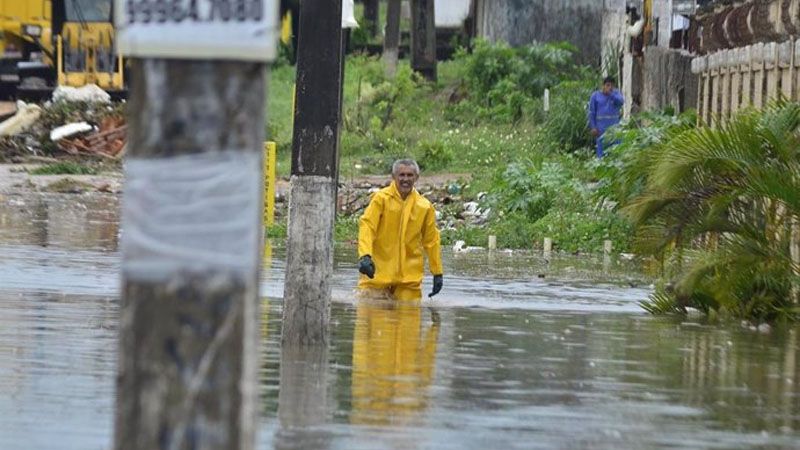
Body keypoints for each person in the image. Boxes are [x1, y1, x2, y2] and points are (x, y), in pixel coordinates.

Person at [357, 159, 443, 301]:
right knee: (372, 317)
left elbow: (431, 240)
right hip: (377, 274)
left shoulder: (424, 206)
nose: (405, 179)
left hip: (409, 280)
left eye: (410, 175)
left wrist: (437, 272)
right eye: (401, 175)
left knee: (408, 316)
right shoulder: (381, 199)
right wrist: (365, 256)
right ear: (394, 176)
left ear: (417, 177)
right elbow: (367, 226)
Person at [588, 76, 624, 158]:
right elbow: (591, 112)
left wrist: (611, 94)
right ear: (603, 86)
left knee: (616, 149)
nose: (610, 87)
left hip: (614, 126)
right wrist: (593, 127)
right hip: (601, 127)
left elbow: (621, 102)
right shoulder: (595, 96)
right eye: (608, 85)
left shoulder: (616, 94)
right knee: (601, 150)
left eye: (612, 85)